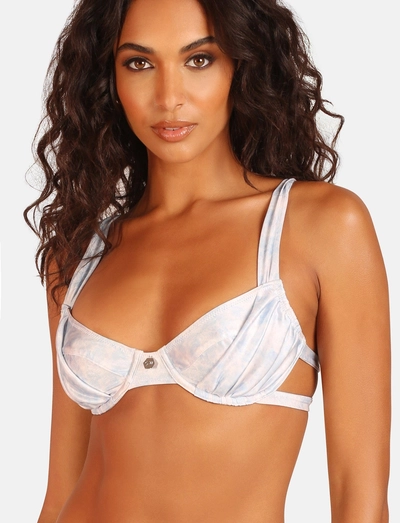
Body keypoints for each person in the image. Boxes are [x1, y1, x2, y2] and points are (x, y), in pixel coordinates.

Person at [24, 0, 391, 521]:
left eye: (199, 59)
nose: (168, 97)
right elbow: (61, 491)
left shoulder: (320, 226)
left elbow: (360, 496)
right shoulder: (78, 253)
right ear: (108, 80)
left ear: (242, 64)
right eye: (139, 63)